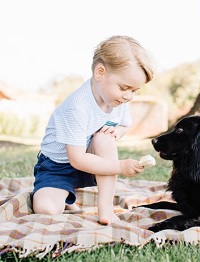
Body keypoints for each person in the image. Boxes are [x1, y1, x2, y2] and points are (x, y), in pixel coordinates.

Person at [32, 35, 155, 225]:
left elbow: (123, 125)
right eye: (125, 88)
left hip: (92, 161)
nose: (129, 96)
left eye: (134, 91)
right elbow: (76, 159)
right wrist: (121, 166)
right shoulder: (77, 107)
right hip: (58, 166)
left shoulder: (117, 99)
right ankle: (62, 194)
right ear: (100, 72)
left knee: (105, 139)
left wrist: (117, 133)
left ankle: (105, 209)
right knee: (46, 210)